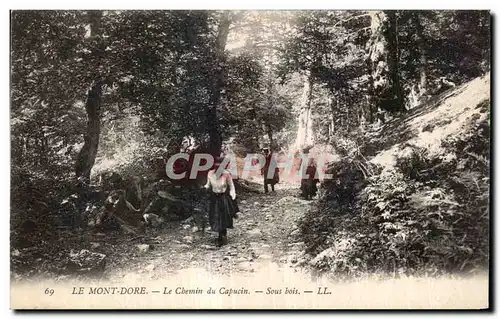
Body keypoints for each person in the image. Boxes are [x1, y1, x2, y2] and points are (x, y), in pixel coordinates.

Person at [203, 157, 237, 247]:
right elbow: (208, 184)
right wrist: (205, 187)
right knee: (215, 216)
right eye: (216, 166)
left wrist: (232, 194)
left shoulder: (226, 174)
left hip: (223, 197)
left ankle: (223, 234)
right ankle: (219, 234)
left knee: (224, 216)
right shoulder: (210, 173)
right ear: (214, 166)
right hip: (214, 197)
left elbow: (231, 186)